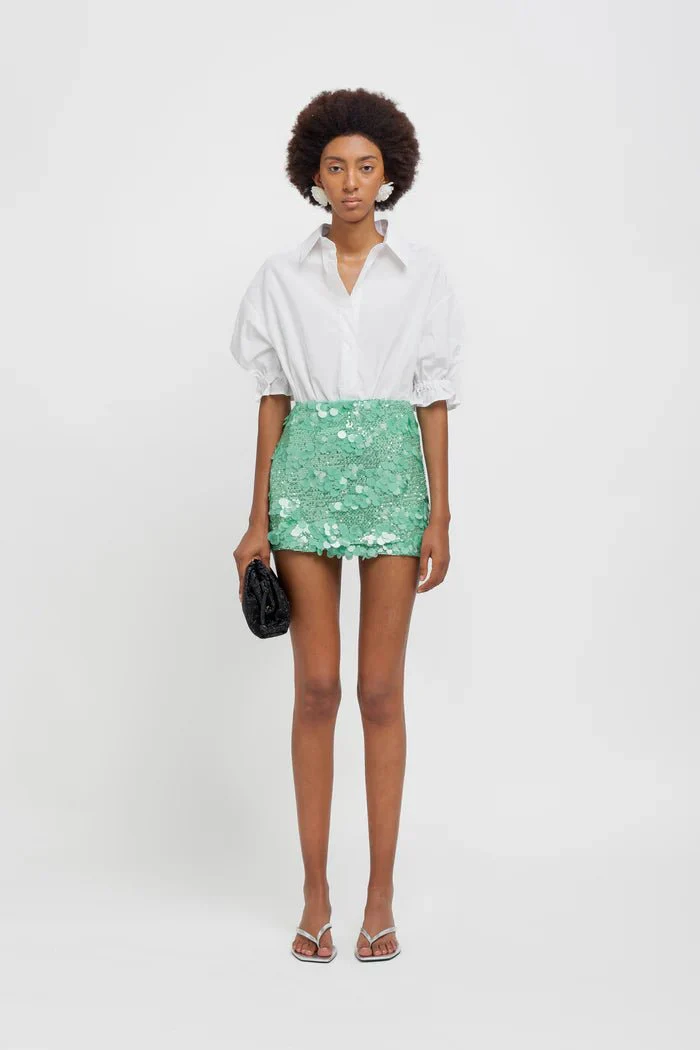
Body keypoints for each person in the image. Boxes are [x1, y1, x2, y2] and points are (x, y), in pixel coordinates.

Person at [229, 88, 465, 962]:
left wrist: (441, 511)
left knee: (379, 692)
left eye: (367, 166)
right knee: (317, 688)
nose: (353, 181)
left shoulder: (424, 276)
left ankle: (381, 894)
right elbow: (272, 397)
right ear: (314, 177)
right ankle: (315, 891)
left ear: (389, 173)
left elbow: (433, 397)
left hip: (395, 480)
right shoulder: (280, 276)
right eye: (337, 167)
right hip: (304, 480)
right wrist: (256, 517)